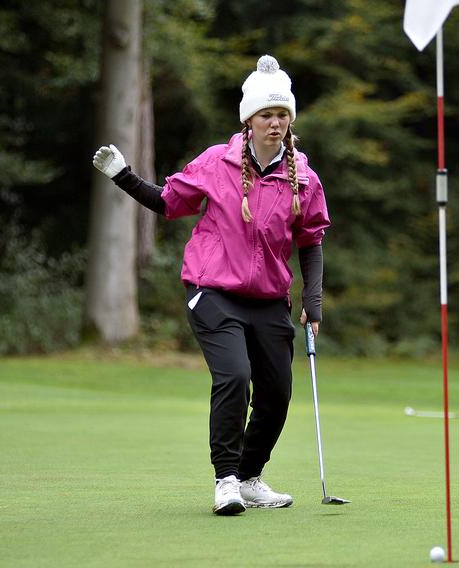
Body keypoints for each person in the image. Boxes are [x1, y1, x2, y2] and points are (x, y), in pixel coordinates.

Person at [92, 55, 330, 516]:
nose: (275, 123)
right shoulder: (214, 163)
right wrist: (123, 175)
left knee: (277, 391)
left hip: (268, 299)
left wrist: (313, 300)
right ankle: (226, 481)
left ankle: (250, 475)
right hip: (213, 290)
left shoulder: (303, 175)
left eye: (282, 115)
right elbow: (168, 203)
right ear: (249, 119)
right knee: (235, 377)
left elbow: (311, 240)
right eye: (267, 115)